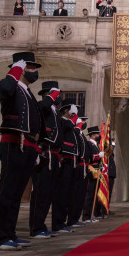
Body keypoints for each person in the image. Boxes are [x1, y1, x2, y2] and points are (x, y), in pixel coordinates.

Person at [0, 51, 43, 251]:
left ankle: (10, 233)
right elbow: (5, 88)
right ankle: (1, 237)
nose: (33, 71)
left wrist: (37, 149)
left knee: (16, 194)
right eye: (30, 67)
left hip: (28, 146)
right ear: (21, 69)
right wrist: (15, 70)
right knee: (7, 191)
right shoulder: (11, 85)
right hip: (13, 143)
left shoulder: (27, 92)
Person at [28, 81, 63, 239]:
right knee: (40, 192)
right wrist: (50, 96)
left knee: (48, 193)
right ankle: (35, 228)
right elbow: (41, 108)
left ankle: (41, 225)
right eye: (55, 93)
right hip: (44, 153)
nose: (58, 96)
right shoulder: (43, 105)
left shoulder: (56, 112)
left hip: (54, 155)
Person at [51, 99, 78, 234]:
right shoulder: (63, 121)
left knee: (66, 194)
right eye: (72, 110)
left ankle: (62, 221)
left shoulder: (68, 123)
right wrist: (74, 117)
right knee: (60, 194)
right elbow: (67, 126)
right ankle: (57, 223)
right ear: (66, 111)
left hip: (70, 161)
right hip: (64, 160)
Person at [108, 139, 117, 207]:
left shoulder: (111, 154)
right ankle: (103, 210)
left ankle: (106, 208)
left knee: (109, 193)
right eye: (112, 145)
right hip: (108, 174)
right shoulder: (107, 154)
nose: (113, 147)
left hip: (111, 175)